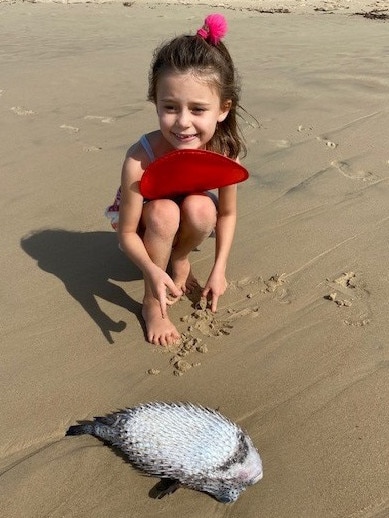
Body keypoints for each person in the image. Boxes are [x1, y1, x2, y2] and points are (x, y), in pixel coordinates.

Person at [106, 14, 246, 347]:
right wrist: (151, 271)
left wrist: (219, 268)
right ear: (155, 101)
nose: (183, 123)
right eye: (170, 107)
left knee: (201, 208)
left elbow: (226, 214)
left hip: (188, 206)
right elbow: (126, 233)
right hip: (144, 220)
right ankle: (151, 304)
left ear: (222, 109)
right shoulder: (140, 157)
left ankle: (179, 257)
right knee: (164, 212)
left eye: (198, 109)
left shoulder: (225, 151)